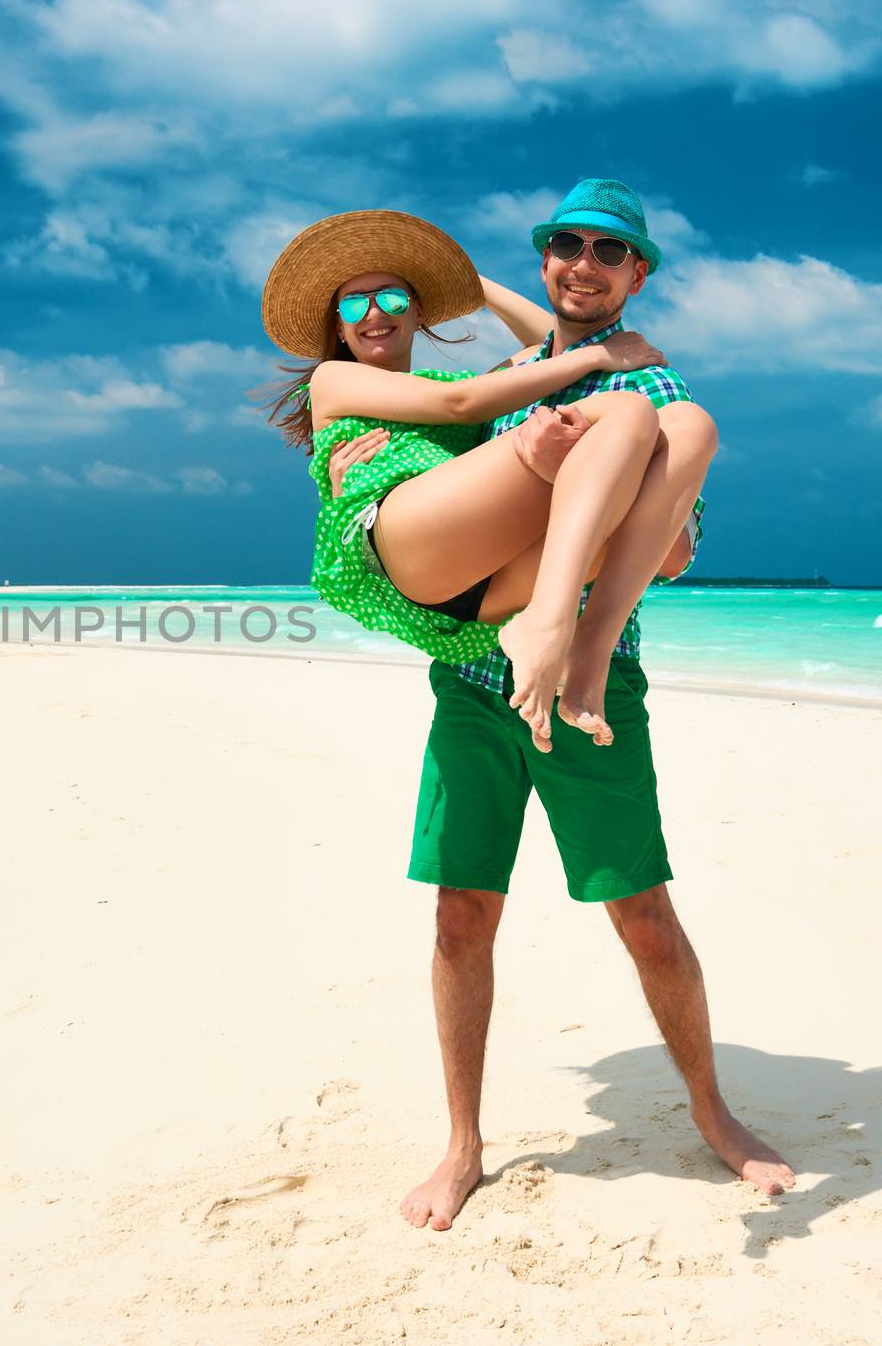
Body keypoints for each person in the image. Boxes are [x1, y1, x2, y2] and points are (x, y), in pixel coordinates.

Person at [324, 179, 795, 1228]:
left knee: (642, 910)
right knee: (458, 914)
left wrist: (612, 493)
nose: (580, 265)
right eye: (563, 248)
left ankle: (713, 1111)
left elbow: (676, 549)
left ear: (635, 276)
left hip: (597, 679)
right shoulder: (502, 376)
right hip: (473, 678)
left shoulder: (651, 379)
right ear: (545, 263)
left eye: (605, 252)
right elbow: (434, 465)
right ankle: (461, 1144)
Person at [260, 209, 703, 750]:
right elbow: (462, 402)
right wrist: (606, 354)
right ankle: (556, 624)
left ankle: (567, 636)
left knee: (687, 427)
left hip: (480, 591)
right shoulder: (336, 379)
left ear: (417, 312)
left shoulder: (470, 381)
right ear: (338, 325)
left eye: (394, 298)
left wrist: (476, 287)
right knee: (629, 412)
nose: (375, 313)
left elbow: (555, 345)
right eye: (355, 302)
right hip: (406, 541)